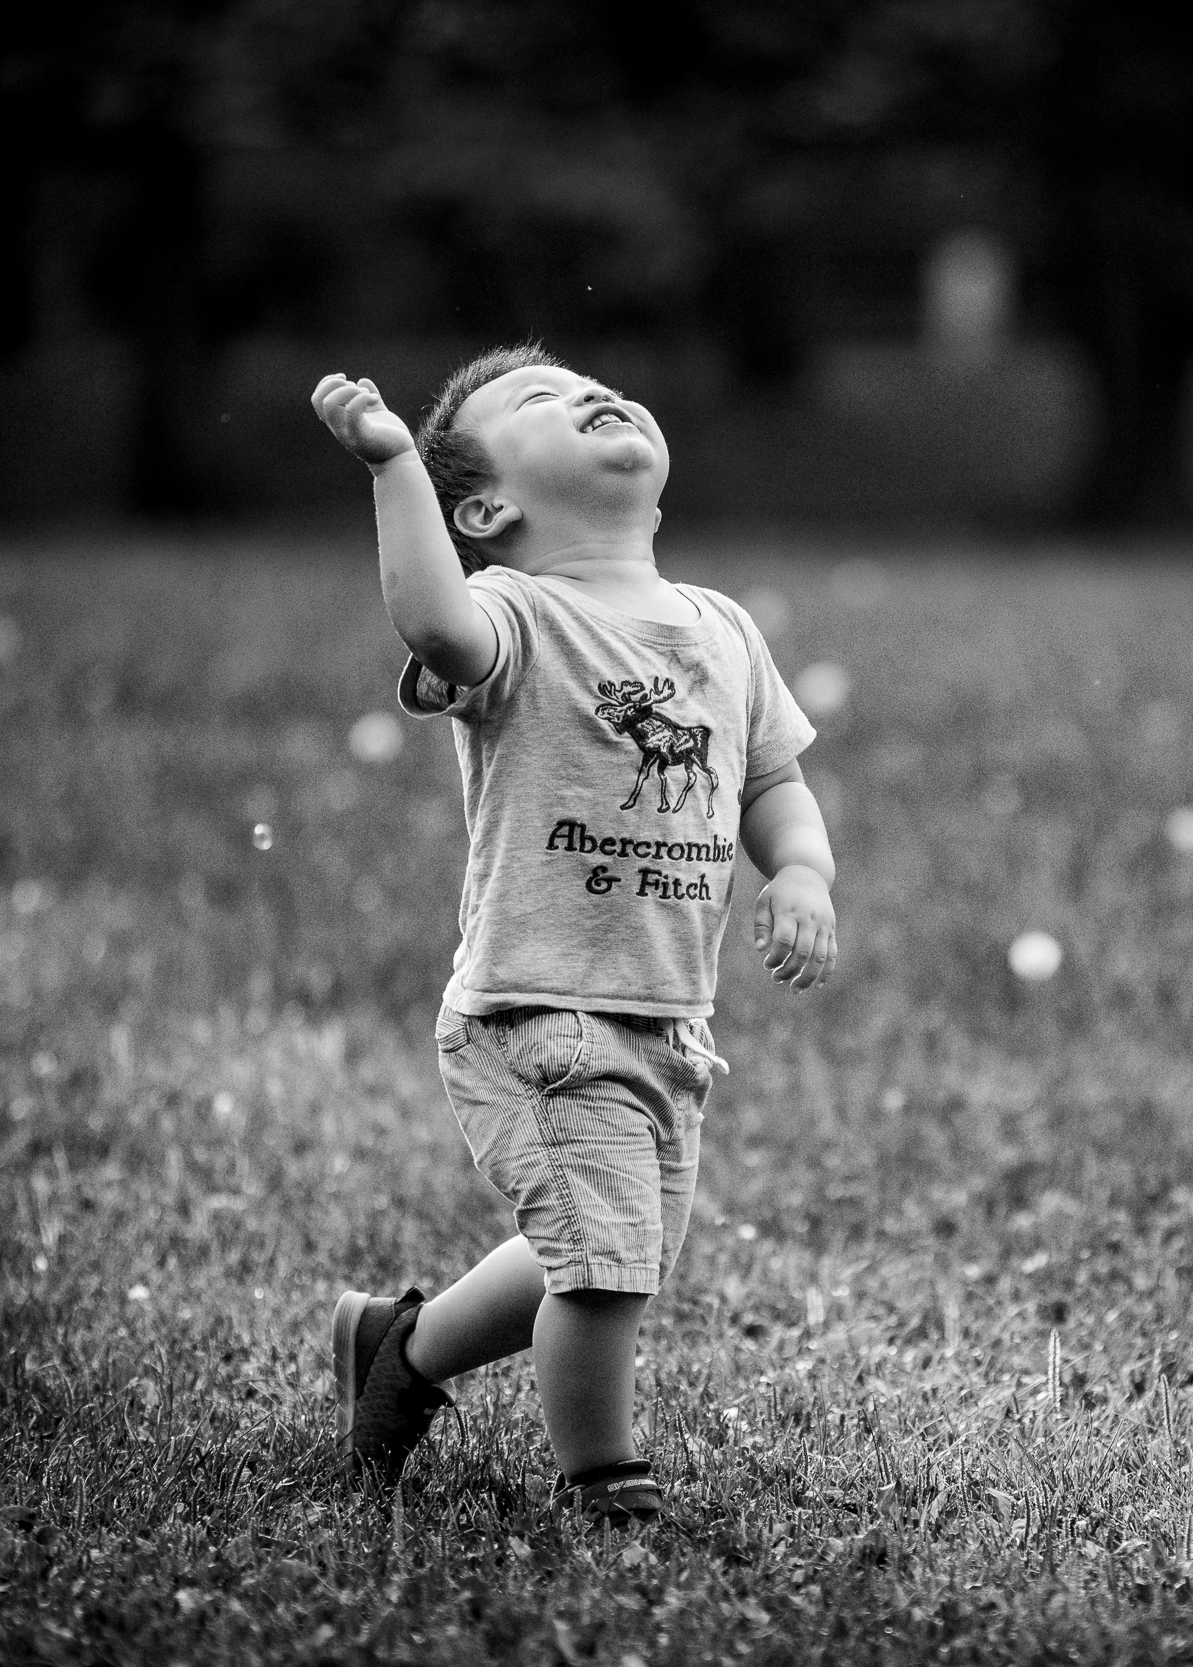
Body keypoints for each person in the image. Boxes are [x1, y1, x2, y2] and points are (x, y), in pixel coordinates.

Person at [309, 344, 840, 1526]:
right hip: (535, 1010)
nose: (592, 392)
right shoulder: (513, 613)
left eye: (597, 384)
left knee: (603, 1252)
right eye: (543, 403)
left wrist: (801, 866)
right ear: (488, 508)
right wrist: (395, 468)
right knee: (604, 1272)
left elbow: (770, 779)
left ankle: (400, 1346)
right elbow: (436, 626)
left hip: (667, 1020)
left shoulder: (722, 627)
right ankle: (605, 1480)